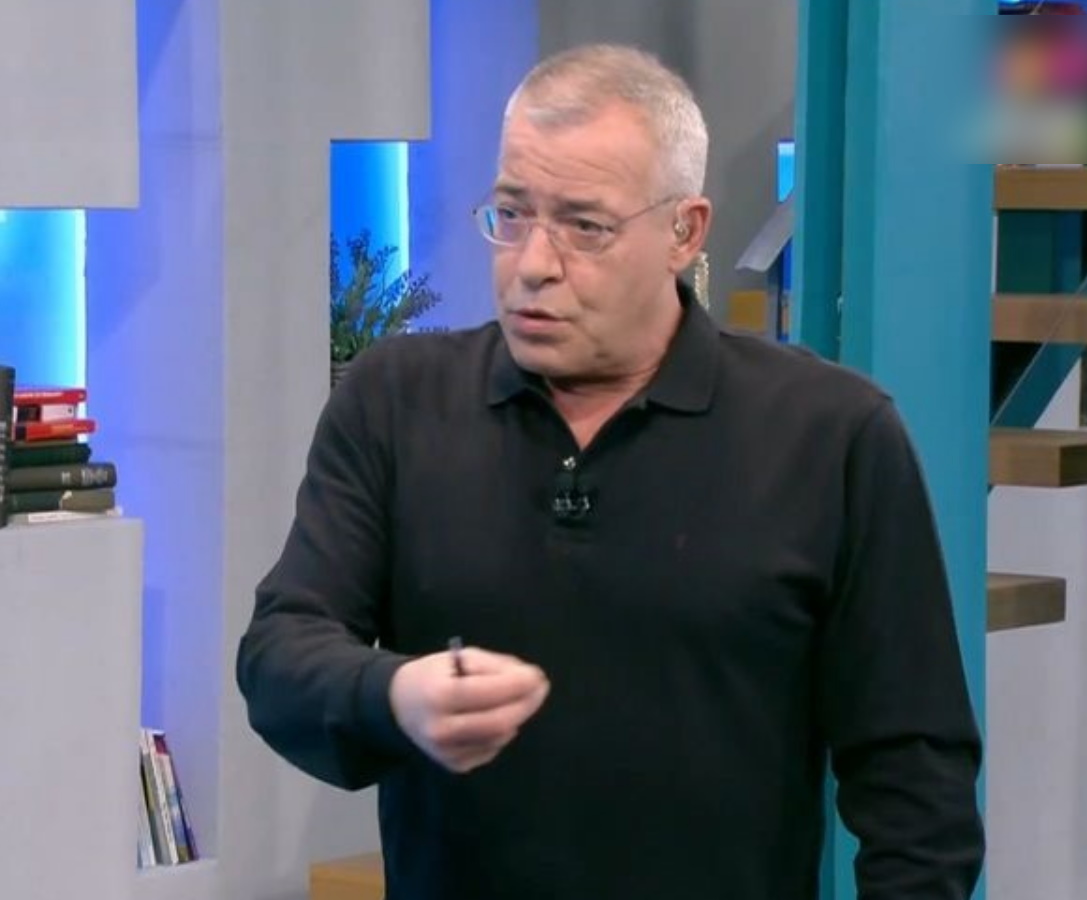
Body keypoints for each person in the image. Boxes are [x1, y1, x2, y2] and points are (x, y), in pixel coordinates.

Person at [237, 43, 984, 900]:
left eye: (585, 227)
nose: (533, 263)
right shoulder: (395, 402)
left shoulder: (832, 435)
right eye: (511, 214)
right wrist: (392, 693)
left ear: (684, 233)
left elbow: (916, 781)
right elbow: (280, 655)